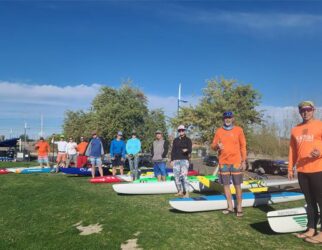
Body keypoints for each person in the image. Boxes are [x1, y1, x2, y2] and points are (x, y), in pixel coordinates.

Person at [288, 101, 322, 244]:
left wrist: (320, 153)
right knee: (309, 202)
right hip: (302, 171)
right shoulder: (295, 129)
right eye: (303, 110)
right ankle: (311, 228)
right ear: (299, 112)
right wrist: (290, 168)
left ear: (313, 110)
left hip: (318, 169)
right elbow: (292, 150)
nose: (305, 112)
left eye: (308, 110)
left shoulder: (320, 125)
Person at [211, 111, 247, 217]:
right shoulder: (219, 131)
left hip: (236, 162)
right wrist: (217, 146)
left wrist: (244, 160)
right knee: (226, 186)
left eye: (229, 117)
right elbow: (213, 146)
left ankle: (239, 207)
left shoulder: (239, 130)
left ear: (233, 118)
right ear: (223, 119)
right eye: (226, 118)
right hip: (223, 163)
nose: (227, 119)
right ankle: (230, 207)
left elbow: (243, 146)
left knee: (237, 185)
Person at [170, 125, 192, 198]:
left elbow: (190, 149)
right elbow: (173, 151)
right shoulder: (175, 140)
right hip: (176, 160)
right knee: (176, 176)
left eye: (182, 130)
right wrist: (172, 160)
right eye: (179, 130)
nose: (181, 132)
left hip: (184, 160)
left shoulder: (188, 140)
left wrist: (187, 150)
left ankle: (187, 193)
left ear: (184, 131)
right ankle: (180, 191)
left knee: (184, 176)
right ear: (178, 131)